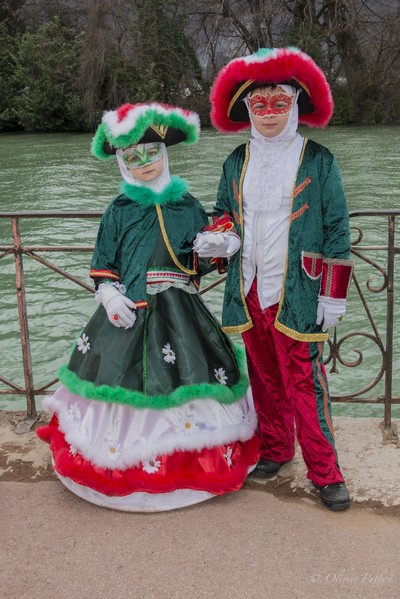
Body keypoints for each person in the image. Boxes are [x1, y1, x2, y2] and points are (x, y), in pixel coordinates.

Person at [36, 102, 259, 512]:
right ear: (122, 164)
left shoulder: (188, 204)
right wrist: (108, 294)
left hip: (182, 312)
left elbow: (197, 262)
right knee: (127, 381)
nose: (145, 164)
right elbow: (102, 264)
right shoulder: (118, 211)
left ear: (165, 153)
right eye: (133, 158)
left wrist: (219, 248)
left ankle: (193, 466)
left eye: (151, 153)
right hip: (129, 313)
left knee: (191, 375)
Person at [194, 47, 353, 511]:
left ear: (294, 107)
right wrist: (220, 240)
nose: (268, 114)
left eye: (278, 105)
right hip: (247, 289)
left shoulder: (319, 159)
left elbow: (337, 228)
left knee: (306, 381)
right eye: (258, 106)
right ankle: (278, 450)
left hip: (298, 290)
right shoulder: (234, 162)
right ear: (247, 110)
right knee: (263, 378)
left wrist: (334, 293)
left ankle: (325, 473)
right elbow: (224, 214)